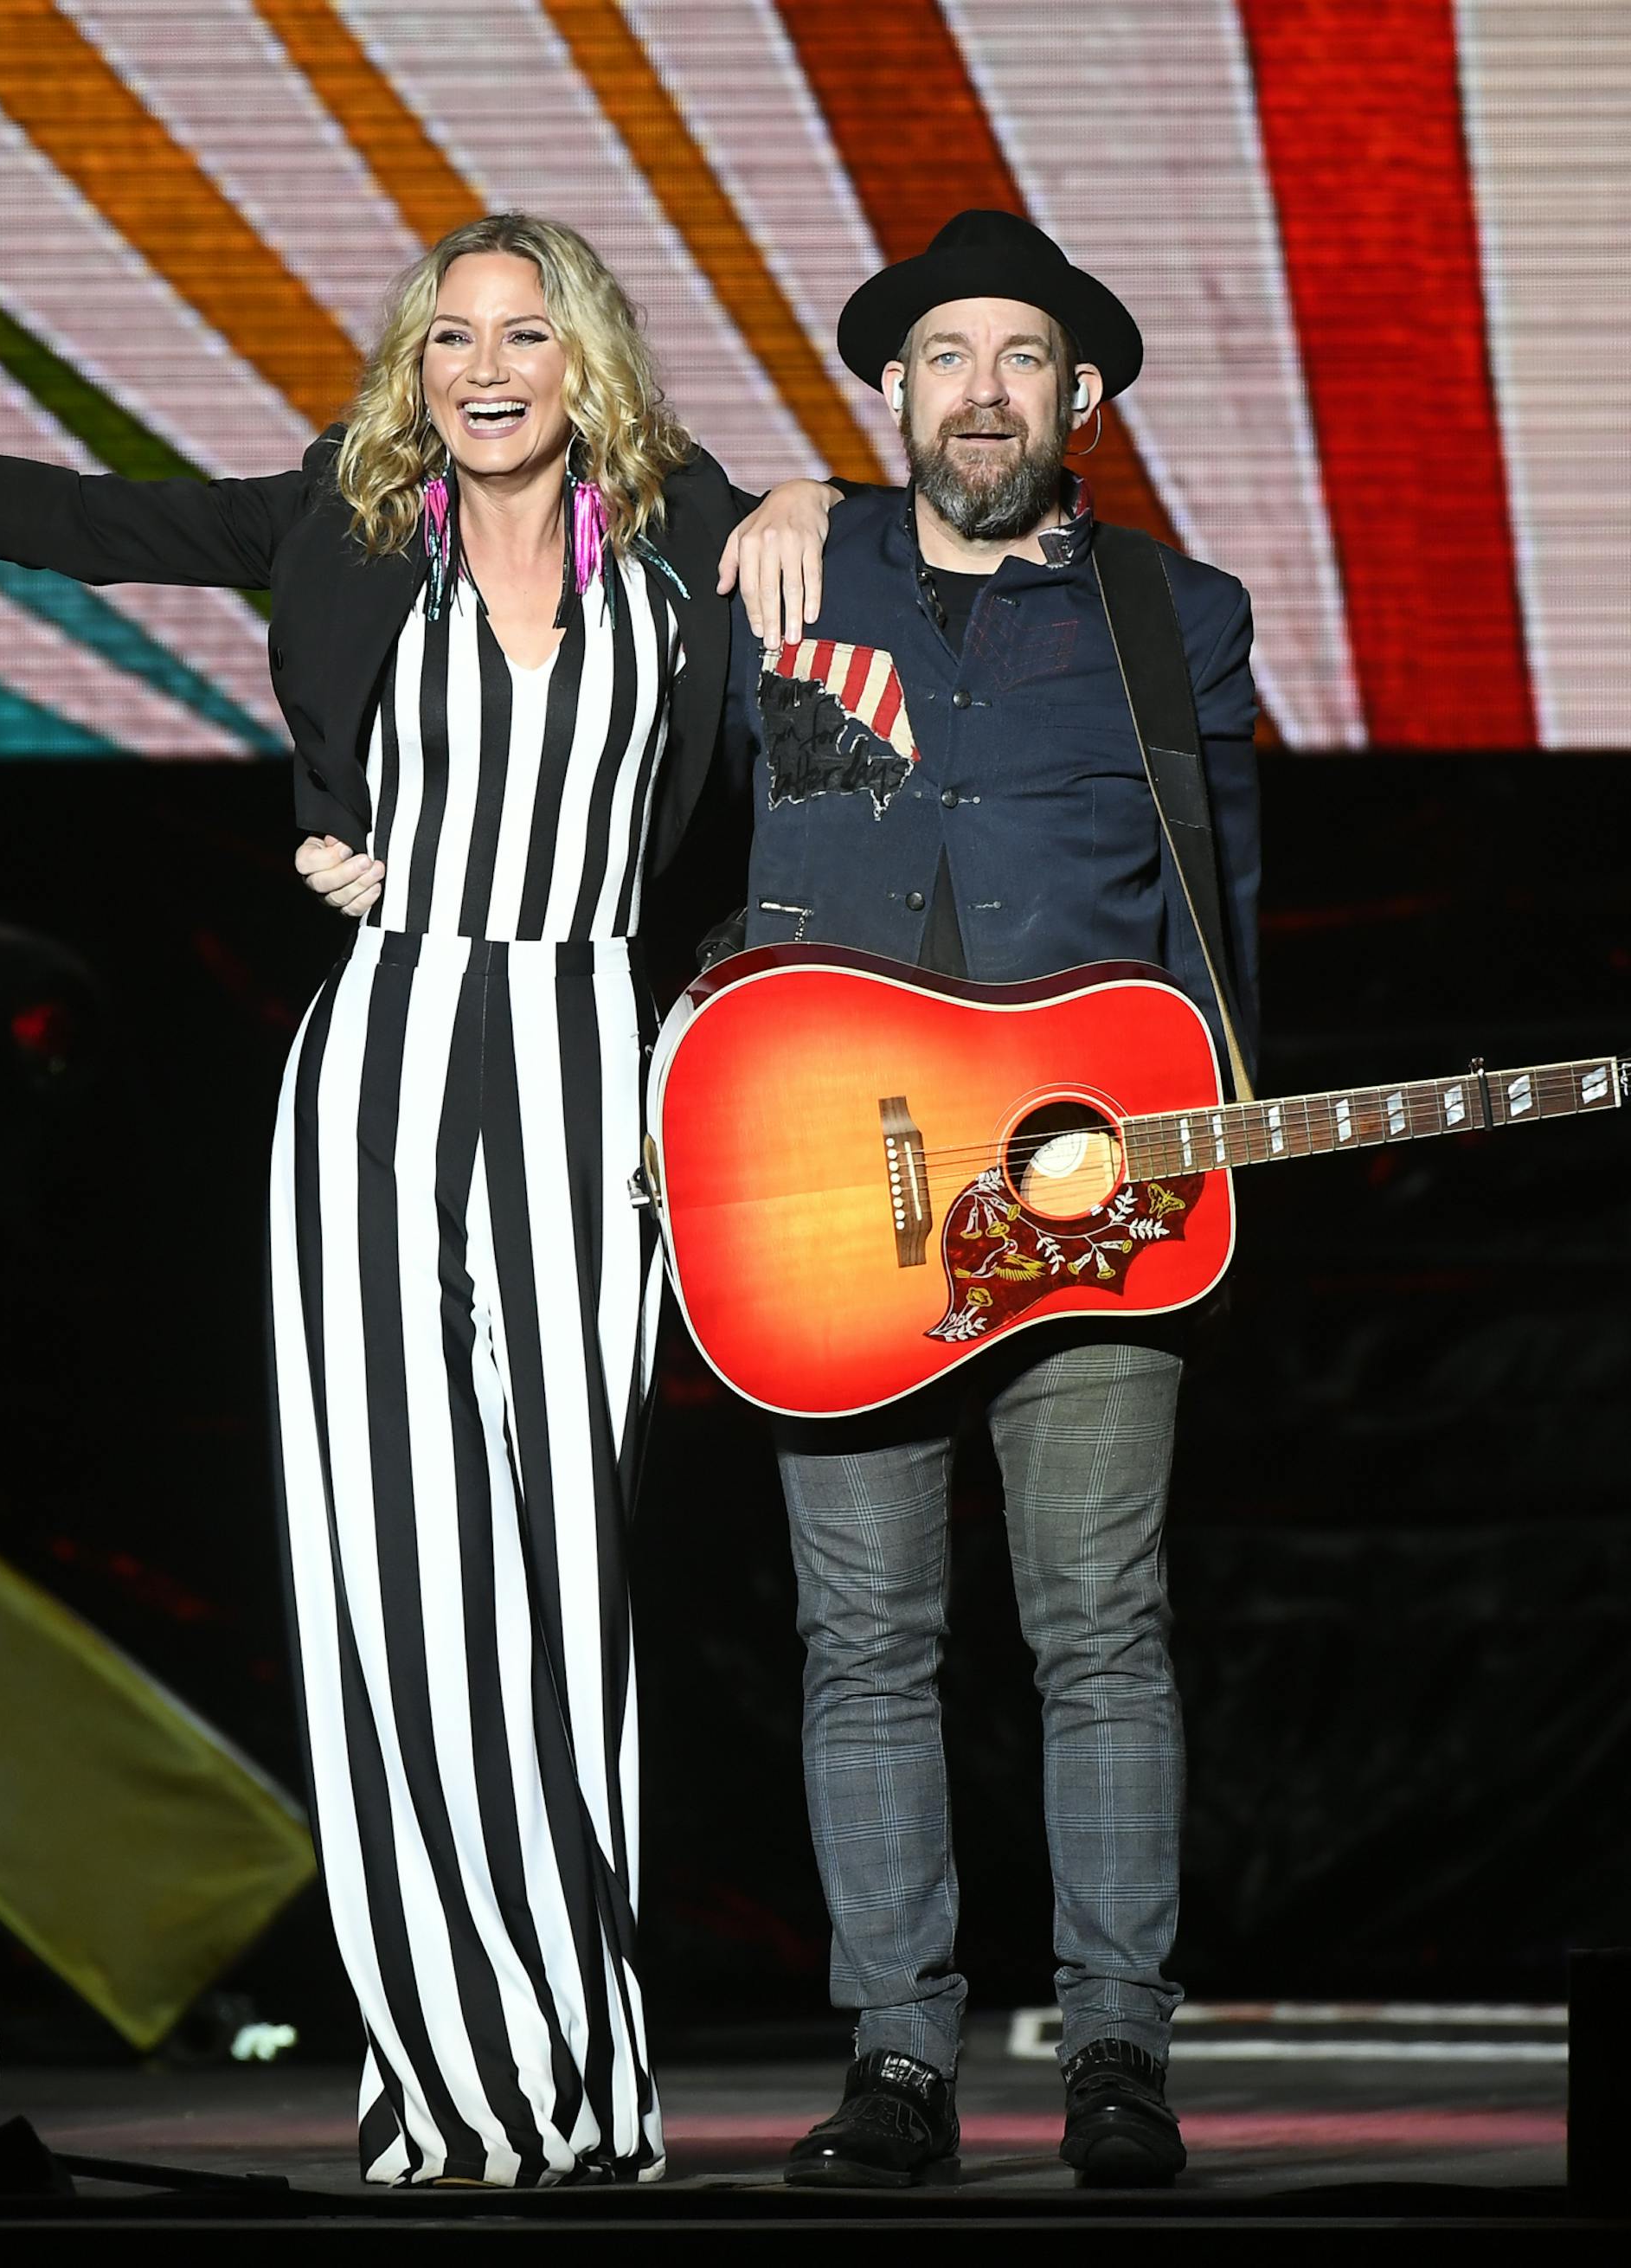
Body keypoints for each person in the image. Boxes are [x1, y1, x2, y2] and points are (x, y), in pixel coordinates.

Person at [0, 210, 839, 2186]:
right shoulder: (346, 529)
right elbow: (80, 522)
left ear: (588, 361)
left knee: (562, 1589)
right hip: (388, 1065)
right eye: (452, 340)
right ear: (416, 369)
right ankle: (449, 2085)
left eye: (525, 334)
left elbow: (855, 611)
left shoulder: (682, 530)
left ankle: (581, 2077)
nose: (487, 369)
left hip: (594, 1066)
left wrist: (815, 495)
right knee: (393, 1586)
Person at [719, 210, 1261, 2190]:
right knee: (864, 1643)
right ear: (890, 391)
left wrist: (1204, 1162)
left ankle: (1118, 2058)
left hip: (1094, 1204)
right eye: (944, 356)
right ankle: (897, 2067)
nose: (981, 392)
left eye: (1021, 358)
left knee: (1100, 1628)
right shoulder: (792, 574)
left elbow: (1219, 907)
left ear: (1081, 397)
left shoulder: (1176, 614)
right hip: (831, 1207)